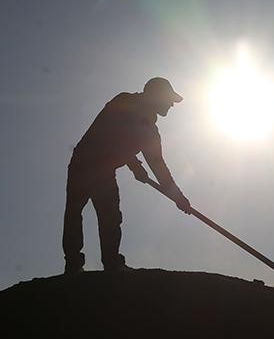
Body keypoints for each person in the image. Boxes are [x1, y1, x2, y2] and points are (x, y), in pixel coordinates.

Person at [62, 77, 193, 274]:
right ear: (155, 95)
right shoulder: (124, 101)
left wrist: (178, 198)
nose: (172, 105)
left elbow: (158, 167)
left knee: (111, 217)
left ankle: (112, 263)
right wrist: (135, 165)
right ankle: (73, 263)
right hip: (84, 162)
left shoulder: (151, 132)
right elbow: (111, 135)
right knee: (74, 211)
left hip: (105, 170)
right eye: (169, 99)